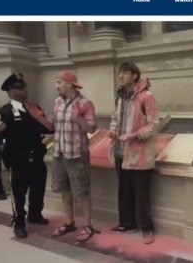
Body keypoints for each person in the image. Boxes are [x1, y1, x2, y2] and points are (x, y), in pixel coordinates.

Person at [0, 72, 52, 238]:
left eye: (24, 86)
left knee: (38, 189)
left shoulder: (34, 108)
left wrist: (44, 119)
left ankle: (35, 214)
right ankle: (19, 222)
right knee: (19, 194)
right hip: (18, 160)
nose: (24, 90)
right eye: (20, 88)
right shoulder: (5, 111)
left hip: (37, 157)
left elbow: (47, 129)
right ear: (11, 92)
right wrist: (5, 152)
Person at [108, 62, 159, 244]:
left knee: (141, 193)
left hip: (139, 153)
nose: (120, 76)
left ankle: (147, 228)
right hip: (120, 151)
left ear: (134, 75)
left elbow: (153, 124)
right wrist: (113, 130)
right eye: (119, 73)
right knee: (124, 190)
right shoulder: (120, 96)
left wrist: (135, 135)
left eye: (125, 73)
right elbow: (115, 118)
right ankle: (126, 223)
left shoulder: (147, 96)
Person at [46, 70, 99, 243]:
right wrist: (39, 118)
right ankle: (69, 222)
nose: (56, 86)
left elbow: (91, 129)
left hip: (77, 154)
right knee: (64, 189)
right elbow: (52, 125)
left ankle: (88, 225)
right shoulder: (57, 102)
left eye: (59, 83)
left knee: (82, 191)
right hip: (60, 153)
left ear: (70, 84)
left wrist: (78, 118)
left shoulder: (85, 103)